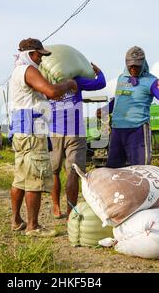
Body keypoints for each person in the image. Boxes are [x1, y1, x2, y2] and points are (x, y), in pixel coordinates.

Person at [9, 38, 78, 237]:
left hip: (21, 128)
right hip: (32, 129)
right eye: (39, 55)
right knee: (34, 179)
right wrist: (68, 83)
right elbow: (51, 91)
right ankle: (33, 226)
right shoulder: (29, 70)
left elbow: (40, 95)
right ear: (30, 54)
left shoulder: (17, 71)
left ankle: (16, 220)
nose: (41, 59)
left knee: (20, 177)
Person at [49, 62, 106, 219]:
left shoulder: (47, 80)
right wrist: (98, 71)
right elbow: (100, 83)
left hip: (53, 131)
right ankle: (70, 212)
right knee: (73, 171)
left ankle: (56, 207)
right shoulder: (77, 80)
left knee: (55, 170)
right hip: (74, 131)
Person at [106, 46, 159, 168]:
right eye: (130, 65)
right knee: (113, 170)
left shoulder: (151, 81)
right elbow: (119, 98)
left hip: (137, 131)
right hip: (117, 131)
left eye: (136, 65)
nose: (133, 68)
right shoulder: (122, 78)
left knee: (140, 169)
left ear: (143, 63)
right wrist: (105, 109)